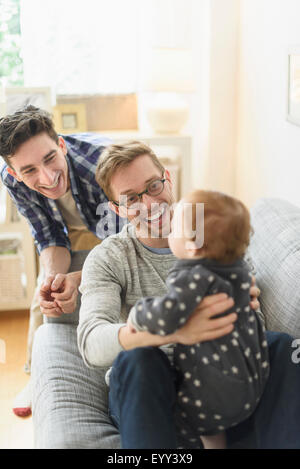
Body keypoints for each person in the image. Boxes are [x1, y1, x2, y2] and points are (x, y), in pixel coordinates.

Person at [78, 141, 281, 449]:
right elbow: (92, 342)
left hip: (219, 384)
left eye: (153, 186)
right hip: (152, 393)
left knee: (281, 346)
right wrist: (174, 332)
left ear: (167, 179)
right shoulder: (109, 258)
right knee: (138, 358)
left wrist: (241, 312)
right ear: (118, 209)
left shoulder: (214, 233)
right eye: (132, 198)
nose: (149, 204)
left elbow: (255, 321)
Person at [0, 105, 124, 416]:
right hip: (72, 226)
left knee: (114, 286)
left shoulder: (105, 162)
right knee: (44, 294)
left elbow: (126, 246)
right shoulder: (12, 179)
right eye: (29, 170)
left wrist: (80, 279)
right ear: (14, 172)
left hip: (119, 228)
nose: (47, 177)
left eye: (50, 159)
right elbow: (49, 236)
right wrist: (54, 282)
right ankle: (37, 374)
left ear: (62, 146)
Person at [127, 189, 269, 449]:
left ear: (192, 247)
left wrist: (138, 313)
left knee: (180, 415)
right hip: (252, 385)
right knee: (213, 425)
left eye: (174, 229)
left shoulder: (193, 277)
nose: (169, 231)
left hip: (212, 395)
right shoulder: (238, 269)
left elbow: (167, 316)